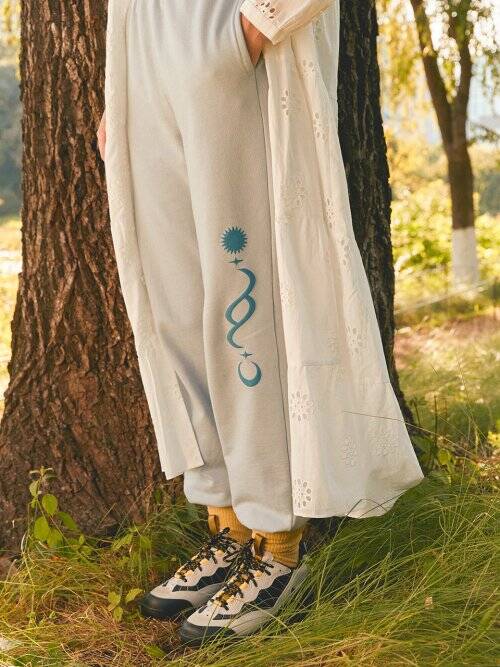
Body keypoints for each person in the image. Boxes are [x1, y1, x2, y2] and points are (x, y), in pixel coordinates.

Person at [99, 0, 423, 645]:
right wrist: (127, 82)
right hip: (143, 47)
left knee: (243, 313)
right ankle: (230, 525)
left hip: (227, 35)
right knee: (178, 311)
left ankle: (276, 545)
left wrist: (250, 29)